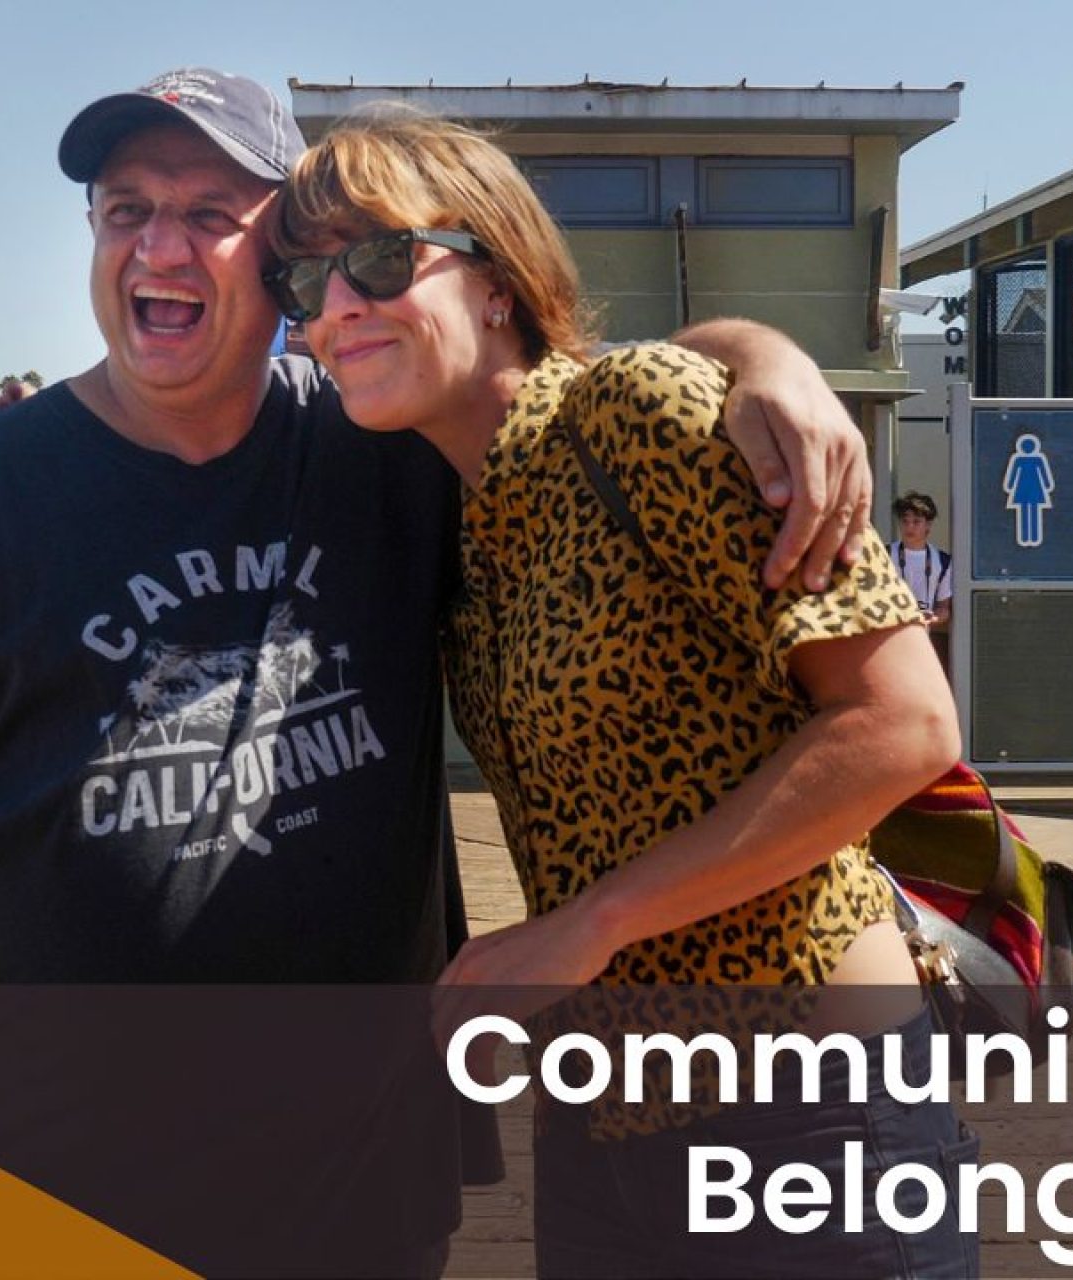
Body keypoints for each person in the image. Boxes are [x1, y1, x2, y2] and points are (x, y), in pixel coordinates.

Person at [0, 69, 878, 1275]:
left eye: (208, 213)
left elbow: (564, 391)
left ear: (279, 249)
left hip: (355, 1198)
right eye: (126, 210)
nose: (158, 246)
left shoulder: (385, 444)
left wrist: (760, 358)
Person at [273, 108, 969, 1275]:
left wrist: (589, 926)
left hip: (808, 1097)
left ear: (495, 277)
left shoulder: (639, 412)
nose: (336, 301)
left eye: (381, 257)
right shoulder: (454, 511)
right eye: (307, 275)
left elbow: (904, 722)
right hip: (604, 1126)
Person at [890, 491, 954, 673]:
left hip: (923, 638)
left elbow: (944, 607)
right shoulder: (883, 555)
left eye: (916, 521)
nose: (909, 527)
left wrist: (932, 617)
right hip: (889, 637)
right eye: (905, 521)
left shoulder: (943, 561)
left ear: (929, 525)